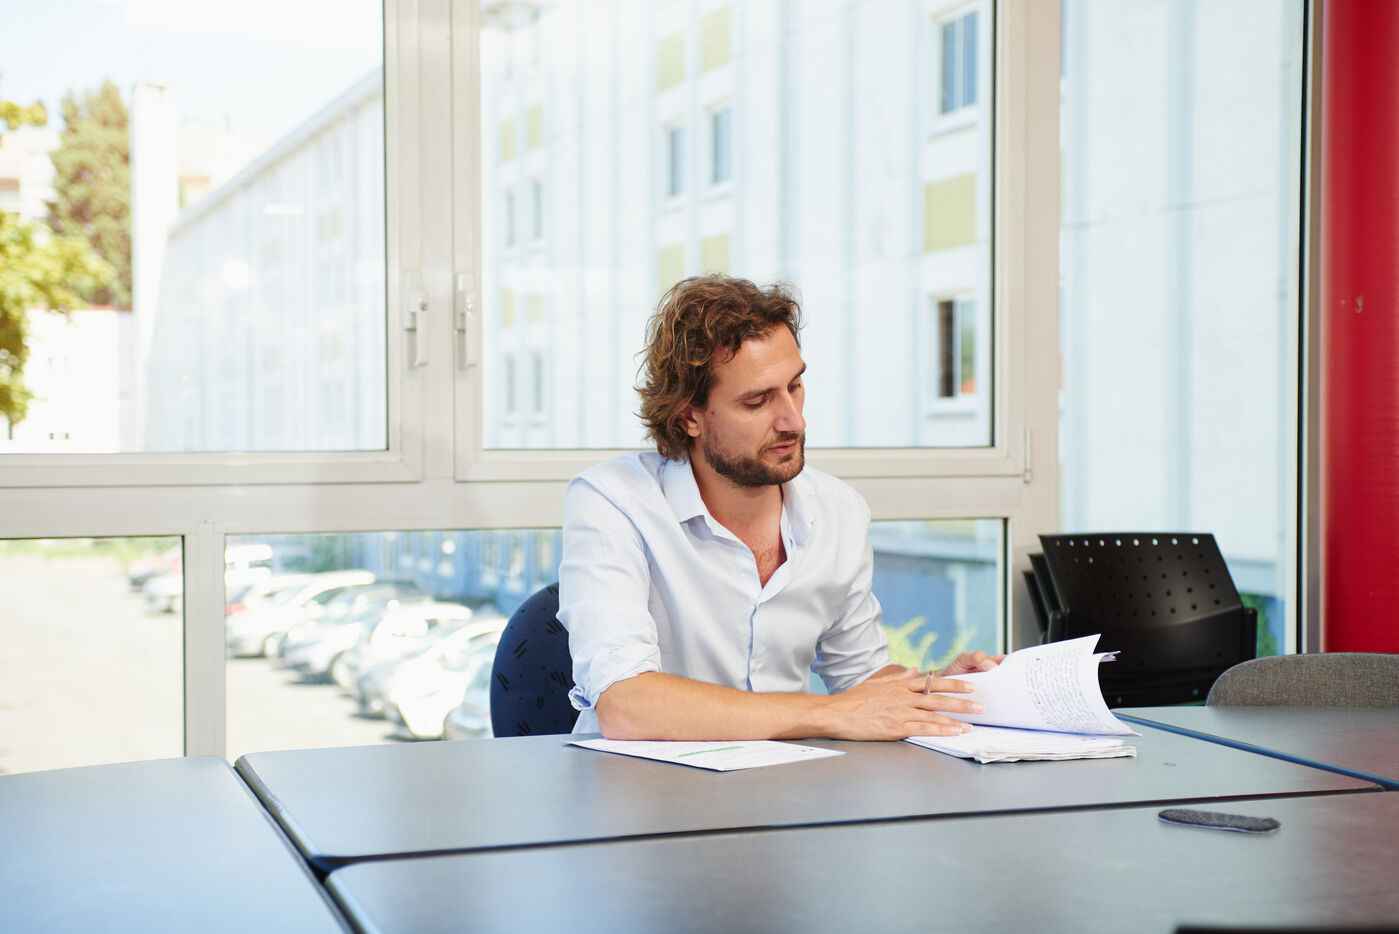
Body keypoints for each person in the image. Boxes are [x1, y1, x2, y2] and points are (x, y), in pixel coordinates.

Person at [559, 275, 1000, 740]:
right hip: (641, 781)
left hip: (787, 779)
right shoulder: (612, 501)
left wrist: (936, 689)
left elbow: (859, 682)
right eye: (757, 401)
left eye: (795, 385)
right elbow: (625, 704)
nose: (795, 420)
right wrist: (828, 713)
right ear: (689, 416)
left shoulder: (839, 512)